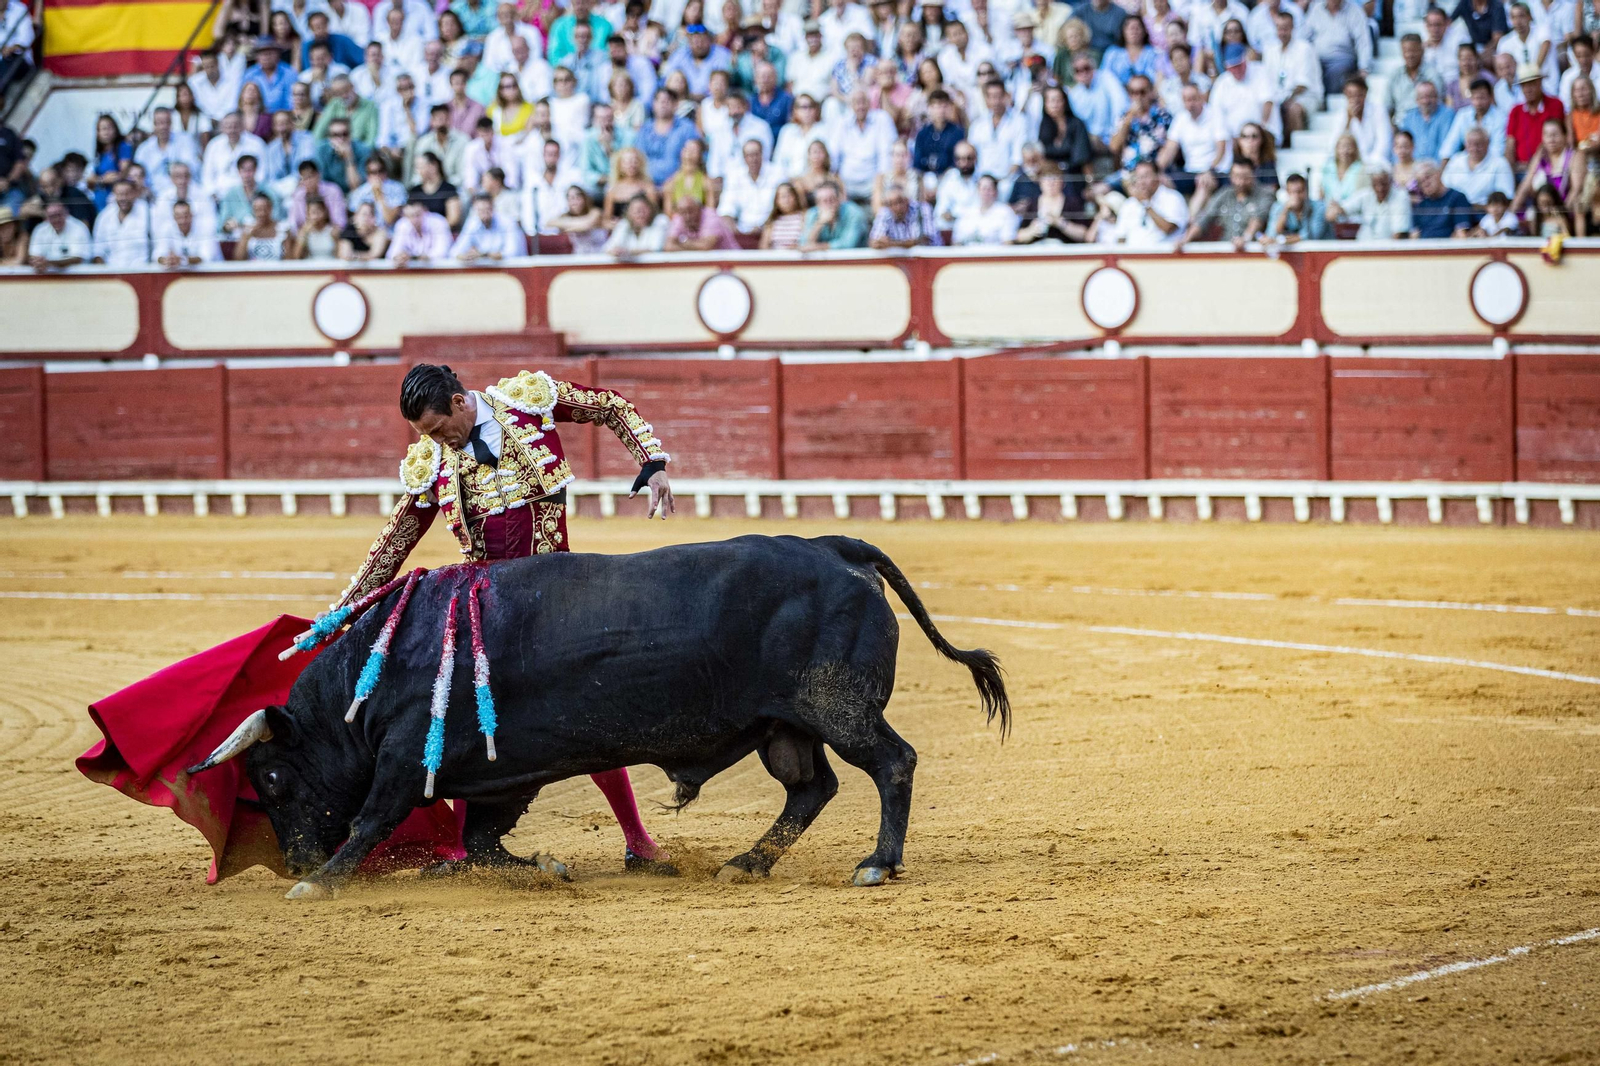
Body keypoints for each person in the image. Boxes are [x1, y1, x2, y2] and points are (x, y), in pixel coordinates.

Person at [323, 363, 676, 877]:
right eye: (426, 434)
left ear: (461, 402)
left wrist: (652, 461)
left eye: (438, 427)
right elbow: (396, 542)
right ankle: (468, 849)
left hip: (555, 594)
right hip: (486, 608)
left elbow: (609, 406)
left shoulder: (526, 402)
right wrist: (343, 611)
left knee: (585, 708)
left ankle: (638, 841)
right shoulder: (433, 461)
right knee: (468, 714)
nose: (436, 440)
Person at [1179, 157, 1271, 249]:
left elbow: (1257, 219)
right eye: (1236, 176)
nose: (1240, 182)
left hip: (1253, 249)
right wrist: (1186, 239)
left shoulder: (1265, 194)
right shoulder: (1224, 194)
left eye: (1245, 177)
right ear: (1231, 176)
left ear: (1253, 175)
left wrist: (1245, 239)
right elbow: (1205, 218)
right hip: (1226, 247)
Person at [1090, 158, 1187, 245]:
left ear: (1158, 177)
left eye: (1146, 176)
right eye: (1138, 177)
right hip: (1133, 258)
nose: (1141, 182)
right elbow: (1120, 238)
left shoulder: (1173, 198)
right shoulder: (1130, 203)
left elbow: (1168, 228)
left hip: (1163, 258)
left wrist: (1145, 204)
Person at [1506, 62, 1565, 167]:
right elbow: (1510, 144)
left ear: (1540, 83)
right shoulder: (1515, 111)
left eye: (1532, 84)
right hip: (1520, 168)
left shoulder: (1555, 104)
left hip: (1547, 166)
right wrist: (1511, 168)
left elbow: (1556, 138)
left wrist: (1534, 165)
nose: (1528, 89)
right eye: (1524, 85)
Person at [1443, 125, 1517, 207]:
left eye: (1479, 144)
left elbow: (1505, 198)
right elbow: (1444, 188)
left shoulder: (1500, 164)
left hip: (1484, 213)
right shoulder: (1455, 160)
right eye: (1470, 144)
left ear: (1488, 143)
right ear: (1465, 144)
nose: (1474, 148)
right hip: (1455, 211)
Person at [1338, 163, 1414, 239]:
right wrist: (1336, 211)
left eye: (1383, 184)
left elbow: (1399, 233)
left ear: (1390, 182)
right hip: (1363, 246)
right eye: (1375, 184)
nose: (1380, 188)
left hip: (1388, 248)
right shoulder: (1366, 194)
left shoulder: (1400, 196)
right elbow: (1340, 209)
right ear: (1371, 183)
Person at [719, 138, 780, 232]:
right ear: (744, 158)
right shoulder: (735, 176)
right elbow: (726, 208)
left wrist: (765, 228)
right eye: (749, 155)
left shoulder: (777, 173)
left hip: (771, 229)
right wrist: (734, 230)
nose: (753, 159)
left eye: (756, 154)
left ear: (762, 154)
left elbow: (781, 208)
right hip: (741, 231)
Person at [92, 179, 151, 267]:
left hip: (141, 271)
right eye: (119, 194)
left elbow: (158, 247)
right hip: (111, 273)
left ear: (135, 193)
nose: (123, 198)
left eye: (127, 194)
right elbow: (98, 249)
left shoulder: (148, 212)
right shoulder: (105, 216)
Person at [452, 191, 528, 258]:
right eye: (480, 211)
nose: (484, 214)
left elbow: (512, 253)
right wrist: (465, 256)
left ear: (493, 207)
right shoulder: (472, 223)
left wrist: (484, 255)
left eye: (487, 209)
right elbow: (454, 252)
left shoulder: (508, 223)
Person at [868, 182, 942, 247]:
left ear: (907, 200)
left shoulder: (923, 209)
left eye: (900, 201)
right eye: (892, 204)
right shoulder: (885, 212)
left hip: (931, 257)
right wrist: (879, 243)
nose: (897, 207)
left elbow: (923, 240)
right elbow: (873, 241)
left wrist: (891, 244)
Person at [1412, 161, 1476, 237]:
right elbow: (1415, 235)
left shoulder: (1457, 197)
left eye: (1428, 177)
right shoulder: (1421, 205)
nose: (1426, 183)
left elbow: (1461, 234)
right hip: (1424, 247)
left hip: (1447, 247)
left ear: (1439, 174)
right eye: (1421, 182)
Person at [951, 173, 1019, 244]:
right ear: (978, 190)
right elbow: (957, 242)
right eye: (983, 188)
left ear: (995, 191)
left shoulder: (1006, 212)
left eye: (989, 189)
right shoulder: (966, 213)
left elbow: (1008, 243)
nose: (986, 192)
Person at [27, 200, 92, 271]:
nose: (56, 219)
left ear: (66, 213)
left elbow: (78, 259)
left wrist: (48, 263)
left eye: (59, 215)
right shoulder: (40, 229)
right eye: (52, 216)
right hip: (48, 277)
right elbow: (34, 255)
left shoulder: (79, 228)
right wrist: (38, 262)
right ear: (46, 217)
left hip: (78, 277)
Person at [800, 180, 868, 248]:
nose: (828, 204)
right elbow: (803, 243)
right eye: (823, 201)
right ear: (817, 203)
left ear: (839, 199)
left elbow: (849, 243)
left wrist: (819, 247)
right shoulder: (812, 213)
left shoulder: (854, 212)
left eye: (831, 199)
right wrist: (820, 223)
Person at [1265, 172, 1330, 243]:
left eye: (1299, 192)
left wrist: (1282, 240)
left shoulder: (1318, 207)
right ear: (1287, 191)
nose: (1296, 196)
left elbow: (1312, 235)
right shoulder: (1278, 207)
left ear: (1306, 191)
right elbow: (1272, 233)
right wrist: (1285, 210)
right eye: (1292, 192)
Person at [664, 193, 739, 249]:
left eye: (690, 211)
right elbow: (668, 246)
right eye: (683, 212)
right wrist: (692, 246)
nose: (687, 216)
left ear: (699, 209)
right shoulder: (679, 218)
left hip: (732, 263)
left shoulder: (711, 217)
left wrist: (682, 242)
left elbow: (706, 246)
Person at [234, 192, 292, 259]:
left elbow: (289, 259)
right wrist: (247, 238)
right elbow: (238, 258)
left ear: (271, 208)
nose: (262, 213)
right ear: (253, 210)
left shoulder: (283, 229)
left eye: (265, 209)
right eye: (257, 210)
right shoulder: (248, 231)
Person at [760, 181, 808, 248]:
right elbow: (764, 246)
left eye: (789, 195)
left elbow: (808, 240)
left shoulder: (805, 217)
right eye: (782, 196)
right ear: (776, 200)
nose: (786, 200)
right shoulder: (772, 221)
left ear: (795, 197)